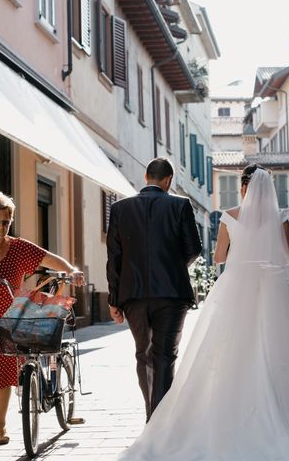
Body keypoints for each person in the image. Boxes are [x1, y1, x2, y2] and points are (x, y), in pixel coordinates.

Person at [116, 164, 289, 461]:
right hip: (275, 286)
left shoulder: (230, 217)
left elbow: (219, 257)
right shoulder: (280, 216)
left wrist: (240, 251)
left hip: (236, 286)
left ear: (244, 188)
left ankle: (209, 413)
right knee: (279, 348)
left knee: (230, 351)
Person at [0, 191, 85, 452]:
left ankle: (0, 429)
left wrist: (71, 269)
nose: (1, 227)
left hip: (8, 322)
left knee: (3, 376)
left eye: (6, 222)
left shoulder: (20, 248)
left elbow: (48, 257)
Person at [106, 157, 202, 421]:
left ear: (145, 177)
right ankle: (158, 421)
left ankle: (152, 416)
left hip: (133, 295)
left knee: (143, 354)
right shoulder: (180, 205)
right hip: (171, 294)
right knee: (164, 355)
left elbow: (114, 256)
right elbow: (193, 248)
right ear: (168, 180)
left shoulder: (120, 208)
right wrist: (172, 265)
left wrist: (113, 299)